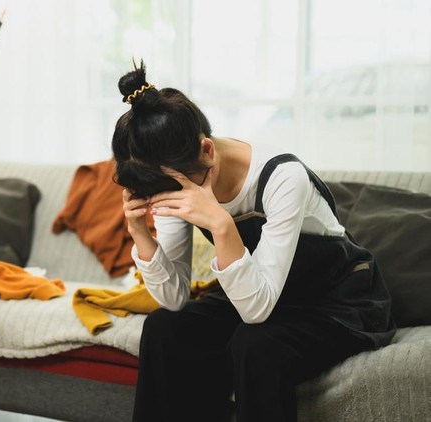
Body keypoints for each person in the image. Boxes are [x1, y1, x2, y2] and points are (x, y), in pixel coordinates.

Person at [112, 61, 396, 422]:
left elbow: (255, 312)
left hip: (335, 302)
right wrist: (141, 234)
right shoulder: (173, 179)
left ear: (207, 151)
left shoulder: (282, 177)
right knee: (164, 328)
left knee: (255, 344)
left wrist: (220, 224)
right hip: (264, 293)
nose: (168, 200)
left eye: (172, 190)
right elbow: (173, 297)